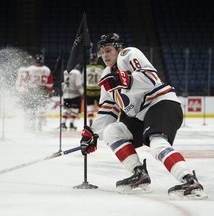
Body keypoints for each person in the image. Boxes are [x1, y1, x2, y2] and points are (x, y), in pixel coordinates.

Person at [80, 33, 207, 199]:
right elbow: (108, 109)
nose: (105, 55)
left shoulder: (128, 54)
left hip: (161, 104)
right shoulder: (106, 75)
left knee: (156, 143)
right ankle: (139, 174)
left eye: (108, 50)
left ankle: (189, 180)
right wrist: (92, 133)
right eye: (102, 52)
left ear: (118, 49)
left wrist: (124, 79)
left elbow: (150, 78)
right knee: (111, 131)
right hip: (140, 115)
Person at [16, 54, 53, 131]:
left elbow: (24, 81)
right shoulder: (47, 69)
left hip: (31, 91)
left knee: (31, 109)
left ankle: (32, 124)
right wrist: (50, 92)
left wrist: (24, 90)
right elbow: (49, 83)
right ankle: (40, 124)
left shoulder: (29, 69)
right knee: (41, 108)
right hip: (42, 91)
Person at [61, 65, 83, 131]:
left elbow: (63, 83)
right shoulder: (77, 72)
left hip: (66, 94)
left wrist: (64, 92)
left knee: (66, 110)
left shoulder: (65, 72)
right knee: (75, 110)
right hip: (75, 94)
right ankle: (71, 124)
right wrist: (82, 92)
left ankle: (63, 123)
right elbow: (78, 84)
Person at [85, 53, 104, 126]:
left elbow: (82, 79)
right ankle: (100, 122)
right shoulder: (101, 67)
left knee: (90, 108)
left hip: (89, 90)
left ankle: (90, 121)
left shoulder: (86, 67)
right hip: (98, 90)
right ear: (96, 59)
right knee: (100, 108)